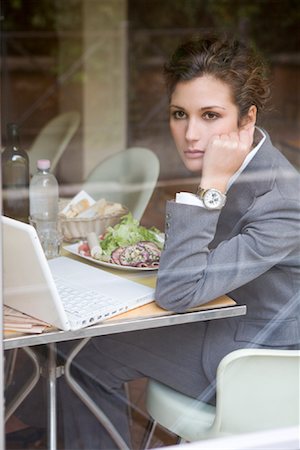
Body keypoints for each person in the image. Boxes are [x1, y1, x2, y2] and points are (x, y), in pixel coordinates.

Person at [10, 34, 300, 449]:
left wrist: (211, 187)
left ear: (247, 119)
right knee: (69, 336)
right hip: (218, 319)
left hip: (255, 359)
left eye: (211, 115)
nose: (191, 133)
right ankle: (52, 428)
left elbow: (180, 290)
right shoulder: (243, 163)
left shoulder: (283, 199)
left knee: (83, 359)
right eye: (180, 113)